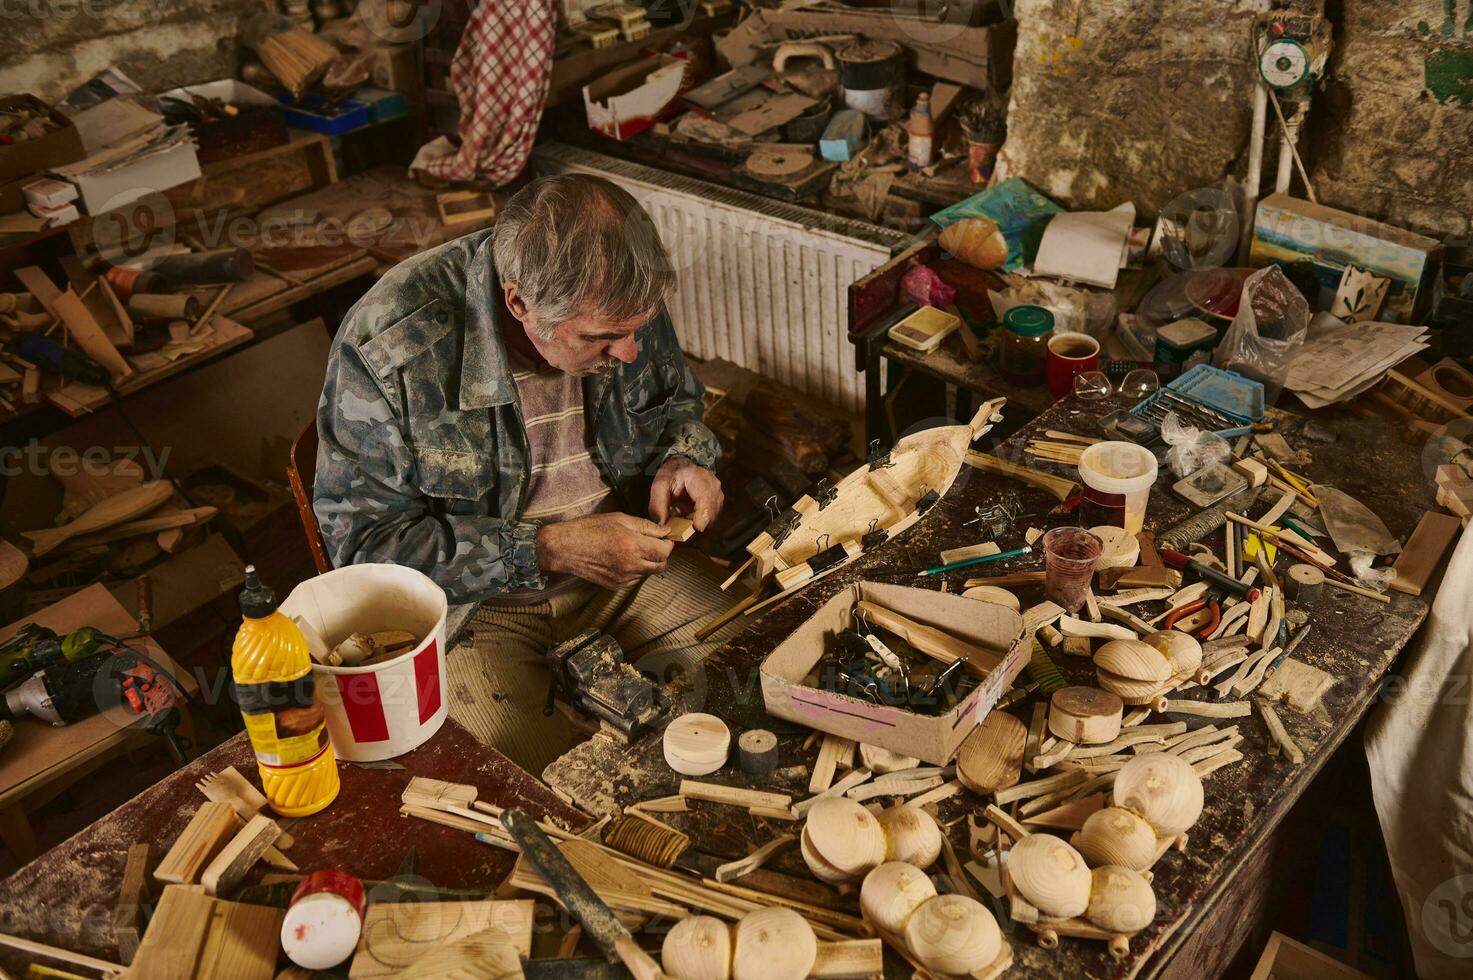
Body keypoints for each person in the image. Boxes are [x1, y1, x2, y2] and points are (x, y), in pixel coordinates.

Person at [313, 174, 735, 773]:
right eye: (604, 338)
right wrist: (544, 549)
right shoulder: (394, 345)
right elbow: (365, 556)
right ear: (519, 304)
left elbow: (677, 402)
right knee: (540, 792)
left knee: (754, 676)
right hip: (478, 610)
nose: (629, 352)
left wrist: (683, 457)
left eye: (636, 329)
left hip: (629, 574)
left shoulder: (620, 300)